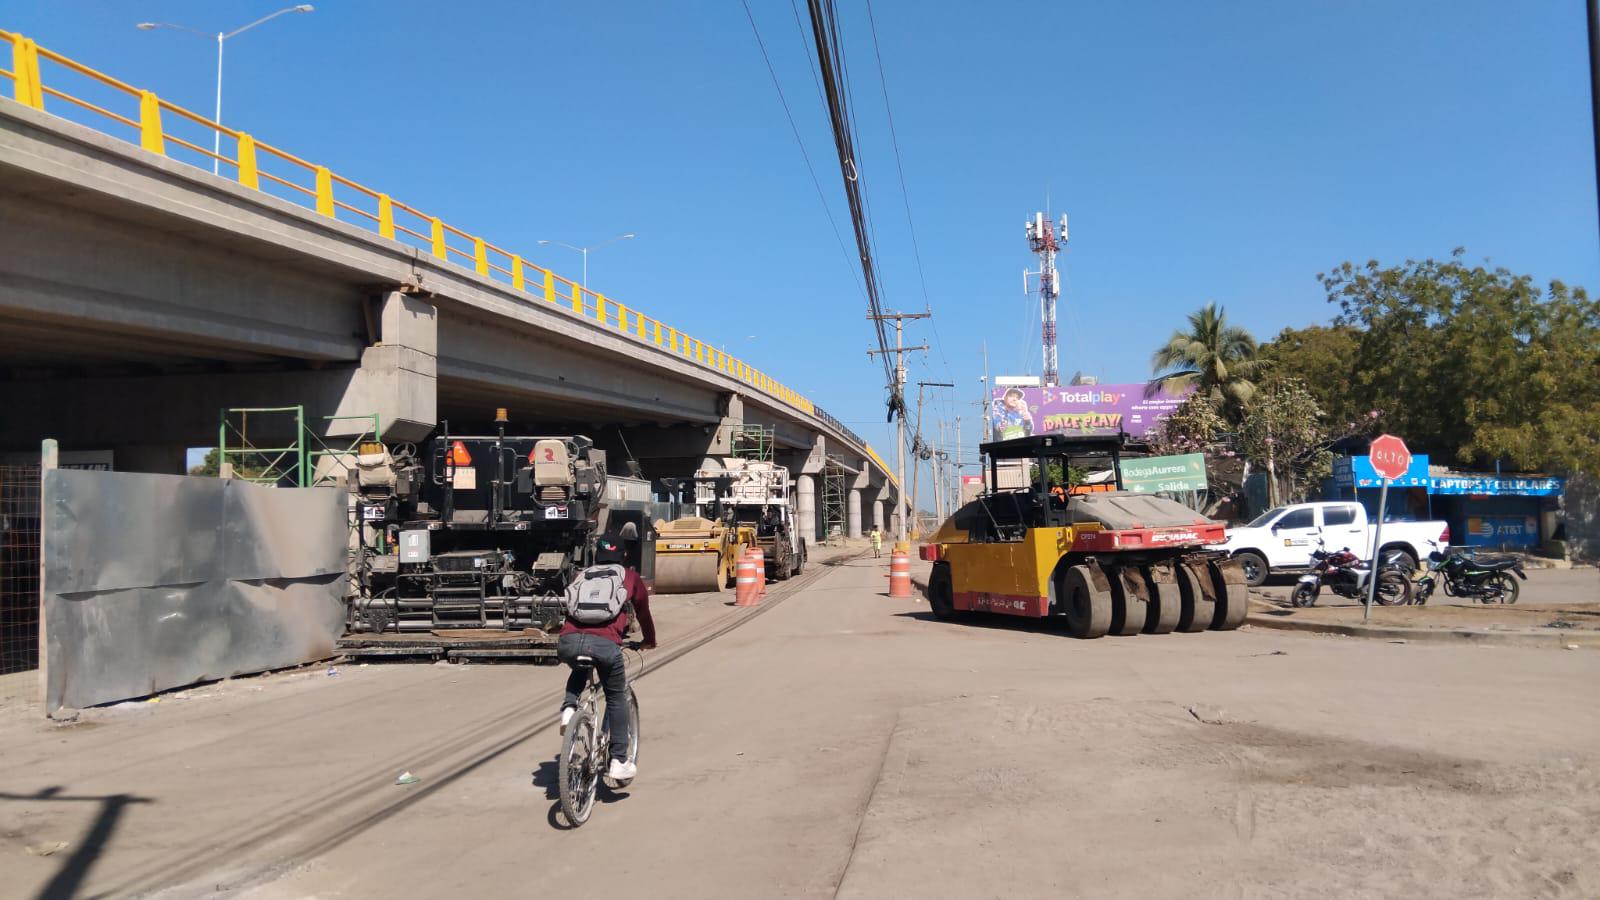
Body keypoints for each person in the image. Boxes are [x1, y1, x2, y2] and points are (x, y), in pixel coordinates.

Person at [557, 534, 656, 781]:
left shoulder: (582, 574)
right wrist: (648, 641)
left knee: (580, 665)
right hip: (605, 645)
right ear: (623, 555)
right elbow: (643, 612)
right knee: (616, 696)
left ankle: (569, 708)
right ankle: (619, 760)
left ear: (597, 555)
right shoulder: (629, 576)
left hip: (568, 641)